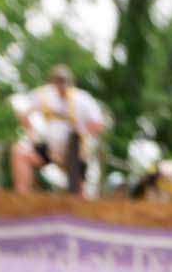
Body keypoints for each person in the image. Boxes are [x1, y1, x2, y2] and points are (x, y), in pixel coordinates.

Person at [18, 64, 109, 194]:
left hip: (75, 153)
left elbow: (99, 124)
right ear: (52, 82)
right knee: (20, 153)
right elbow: (23, 115)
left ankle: (79, 203)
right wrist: (32, 137)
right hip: (50, 151)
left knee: (79, 189)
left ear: (71, 82)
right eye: (58, 81)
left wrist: (82, 131)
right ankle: (22, 196)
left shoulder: (83, 99)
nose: (61, 86)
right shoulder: (43, 95)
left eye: (64, 81)